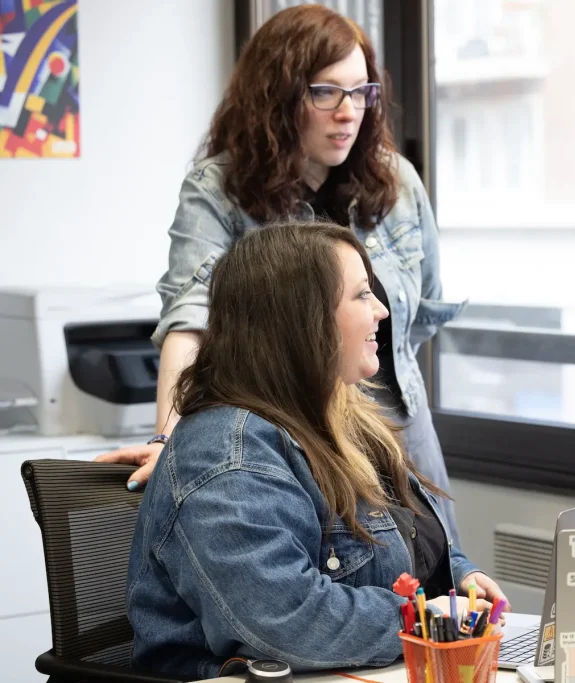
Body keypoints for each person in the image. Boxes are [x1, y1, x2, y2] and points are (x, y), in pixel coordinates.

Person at [97, 4, 462, 541]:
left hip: (395, 427)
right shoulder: (220, 189)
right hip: (293, 432)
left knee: (442, 589)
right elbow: (190, 317)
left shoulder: (397, 182)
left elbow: (420, 311)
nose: (349, 111)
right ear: (279, 94)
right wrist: (167, 439)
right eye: (326, 92)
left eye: (362, 92)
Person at [126, 223, 506, 679]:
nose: (382, 311)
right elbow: (286, 620)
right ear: (304, 319)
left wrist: (458, 579)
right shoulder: (227, 451)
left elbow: (398, 540)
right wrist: (424, 620)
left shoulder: (342, 422)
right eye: (362, 295)